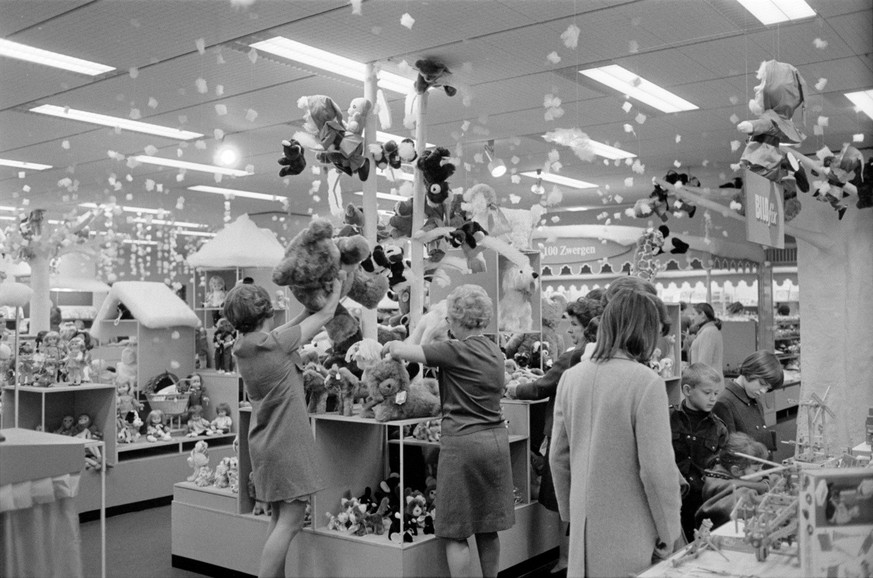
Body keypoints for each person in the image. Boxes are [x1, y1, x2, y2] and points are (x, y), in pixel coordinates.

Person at [382, 284, 514, 578]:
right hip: (495, 442)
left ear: (454, 319)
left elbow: (402, 349)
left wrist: (387, 345)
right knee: (487, 526)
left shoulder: (453, 350)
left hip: (463, 444)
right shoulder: (495, 351)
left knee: (456, 531)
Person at [550, 289, 682, 578]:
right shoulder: (646, 383)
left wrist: (572, 515)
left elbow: (558, 457)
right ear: (645, 330)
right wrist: (669, 531)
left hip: (584, 529)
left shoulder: (571, 378)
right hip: (633, 528)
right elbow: (656, 469)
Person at [222, 275, 343, 578]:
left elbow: (284, 331)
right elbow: (327, 314)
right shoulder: (275, 344)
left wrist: (306, 309)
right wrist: (340, 284)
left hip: (264, 443)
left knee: (278, 519)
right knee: (291, 521)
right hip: (288, 441)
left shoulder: (247, 345)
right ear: (267, 312)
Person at [504, 297, 602, 575]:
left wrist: (514, 390)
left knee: (563, 498)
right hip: (587, 435)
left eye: (574, 324)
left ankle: (565, 558)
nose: (569, 330)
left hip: (564, 435)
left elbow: (541, 387)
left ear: (587, 327)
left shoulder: (573, 356)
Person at [670, 363, 729, 540]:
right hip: (673, 499)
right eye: (707, 393)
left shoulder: (719, 428)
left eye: (716, 394)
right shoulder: (667, 419)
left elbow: (721, 470)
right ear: (687, 390)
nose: (713, 399)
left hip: (702, 502)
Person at [712, 350, 783, 457]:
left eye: (768, 388)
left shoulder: (754, 400)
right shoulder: (724, 403)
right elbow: (730, 452)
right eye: (762, 383)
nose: (763, 391)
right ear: (750, 372)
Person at [696, 432, 771, 529]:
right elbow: (749, 501)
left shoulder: (720, 475)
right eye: (756, 470)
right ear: (736, 471)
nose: (763, 473)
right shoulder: (736, 492)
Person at [689, 303, 724, 381]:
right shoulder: (708, 331)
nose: (692, 318)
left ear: (702, 314)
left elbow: (704, 363)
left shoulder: (709, 332)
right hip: (708, 382)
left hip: (707, 383)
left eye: (693, 314)